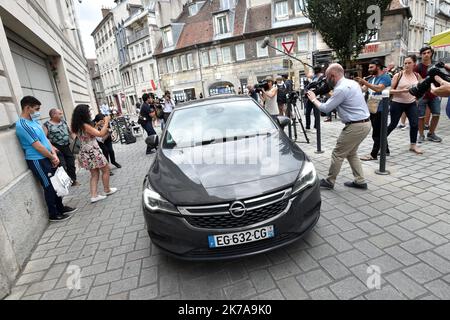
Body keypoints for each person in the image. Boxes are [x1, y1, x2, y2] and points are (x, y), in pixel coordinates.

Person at [306, 63, 371, 190]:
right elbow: (342, 100)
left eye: (327, 77)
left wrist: (313, 99)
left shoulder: (341, 89)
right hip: (364, 124)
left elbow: (325, 108)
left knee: (338, 153)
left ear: (332, 76)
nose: (326, 81)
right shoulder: (352, 83)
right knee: (351, 153)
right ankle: (360, 181)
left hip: (355, 126)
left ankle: (329, 181)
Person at [15, 96, 77, 222]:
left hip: (48, 156)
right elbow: (37, 146)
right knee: (48, 186)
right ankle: (53, 214)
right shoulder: (22, 125)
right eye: (36, 109)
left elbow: (45, 139)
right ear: (28, 108)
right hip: (38, 160)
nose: (38, 112)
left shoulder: (34, 122)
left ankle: (60, 207)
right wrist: (51, 156)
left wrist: (53, 153)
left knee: (56, 183)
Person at [71, 104, 118, 203]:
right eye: (88, 111)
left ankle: (94, 195)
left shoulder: (78, 125)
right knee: (106, 169)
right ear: (84, 113)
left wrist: (96, 125)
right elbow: (100, 134)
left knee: (94, 174)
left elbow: (89, 134)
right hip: (92, 151)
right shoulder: (85, 125)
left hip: (86, 151)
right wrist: (106, 122)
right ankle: (107, 190)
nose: (89, 113)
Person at [356, 58, 392, 161]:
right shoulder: (371, 78)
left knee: (376, 133)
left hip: (381, 109)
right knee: (380, 131)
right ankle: (385, 150)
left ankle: (374, 154)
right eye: (369, 67)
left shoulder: (385, 77)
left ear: (378, 66)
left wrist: (364, 82)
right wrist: (359, 83)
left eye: (371, 67)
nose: (369, 69)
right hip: (372, 108)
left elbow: (378, 88)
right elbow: (363, 90)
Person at [387, 55, 423, 155]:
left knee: (414, 124)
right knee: (393, 124)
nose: (406, 65)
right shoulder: (398, 75)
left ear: (414, 64)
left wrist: (417, 97)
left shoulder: (417, 75)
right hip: (397, 103)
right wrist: (403, 90)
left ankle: (413, 145)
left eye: (409, 63)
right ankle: (380, 140)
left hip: (411, 103)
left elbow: (420, 88)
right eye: (405, 63)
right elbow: (390, 90)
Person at [43, 108, 79, 186]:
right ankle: (66, 182)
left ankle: (73, 180)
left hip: (67, 146)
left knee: (71, 164)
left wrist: (75, 141)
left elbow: (71, 132)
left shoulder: (64, 122)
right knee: (62, 165)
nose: (61, 115)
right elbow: (44, 138)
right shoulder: (47, 125)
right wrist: (52, 147)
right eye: (59, 114)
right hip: (56, 148)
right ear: (53, 115)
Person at [415, 46, 442, 143]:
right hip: (422, 95)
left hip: (434, 94)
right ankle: (421, 135)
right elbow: (416, 80)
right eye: (424, 53)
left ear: (431, 54)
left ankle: (431, 134)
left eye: (428, 52)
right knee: (420, 116)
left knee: (437, 114)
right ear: (421, 55)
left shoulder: (435, 65)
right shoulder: (418, 67)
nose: (426, 54)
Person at [305, 66, 323, 130]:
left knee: (316, 113)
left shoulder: (321, 77)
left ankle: (316, 127)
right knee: (307, 112)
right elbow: (307, 75)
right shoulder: (314, 76)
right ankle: (307, 127)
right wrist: (304, 66)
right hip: (310, 96)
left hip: (317, 97)